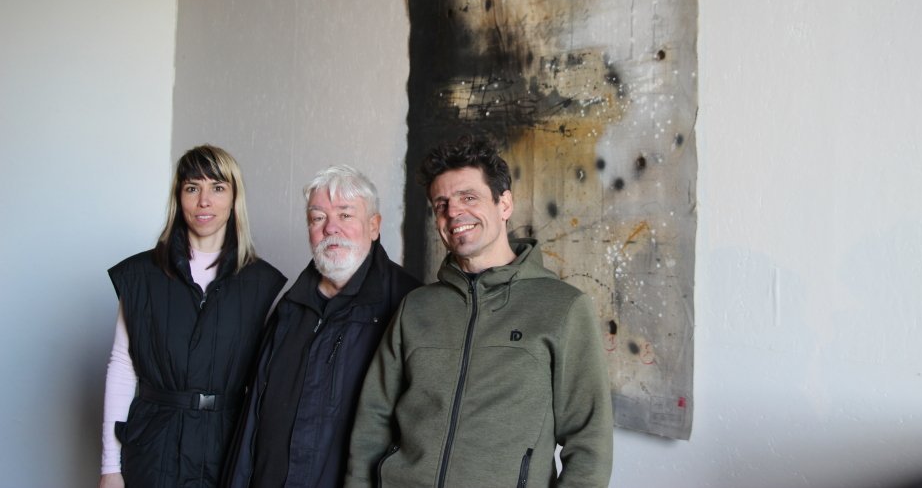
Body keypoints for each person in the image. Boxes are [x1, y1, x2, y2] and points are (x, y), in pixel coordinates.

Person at [345, 135, 614, 488]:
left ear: (505, 204)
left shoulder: (563, 308)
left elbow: (589, 444)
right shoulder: (416, 307)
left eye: (468, 197)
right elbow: (373, 418)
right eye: (441, 204)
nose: (453, 212)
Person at [99, 145, 286, 488]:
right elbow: (122, 368)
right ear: (178, 197)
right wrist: (110, 467)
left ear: (234, 198)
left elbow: (268, 386)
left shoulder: (263, 284)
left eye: (217, 188)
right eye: (192, 188)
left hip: (227, 451)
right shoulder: (139, 276)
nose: (204, 201)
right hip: (152, 448)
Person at [223, 164, 421, 488]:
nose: (330, 228)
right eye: (318, 218)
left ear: (374, 226)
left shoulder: (409, 303)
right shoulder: (290, 307)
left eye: (345, 215)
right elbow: (252, 419)